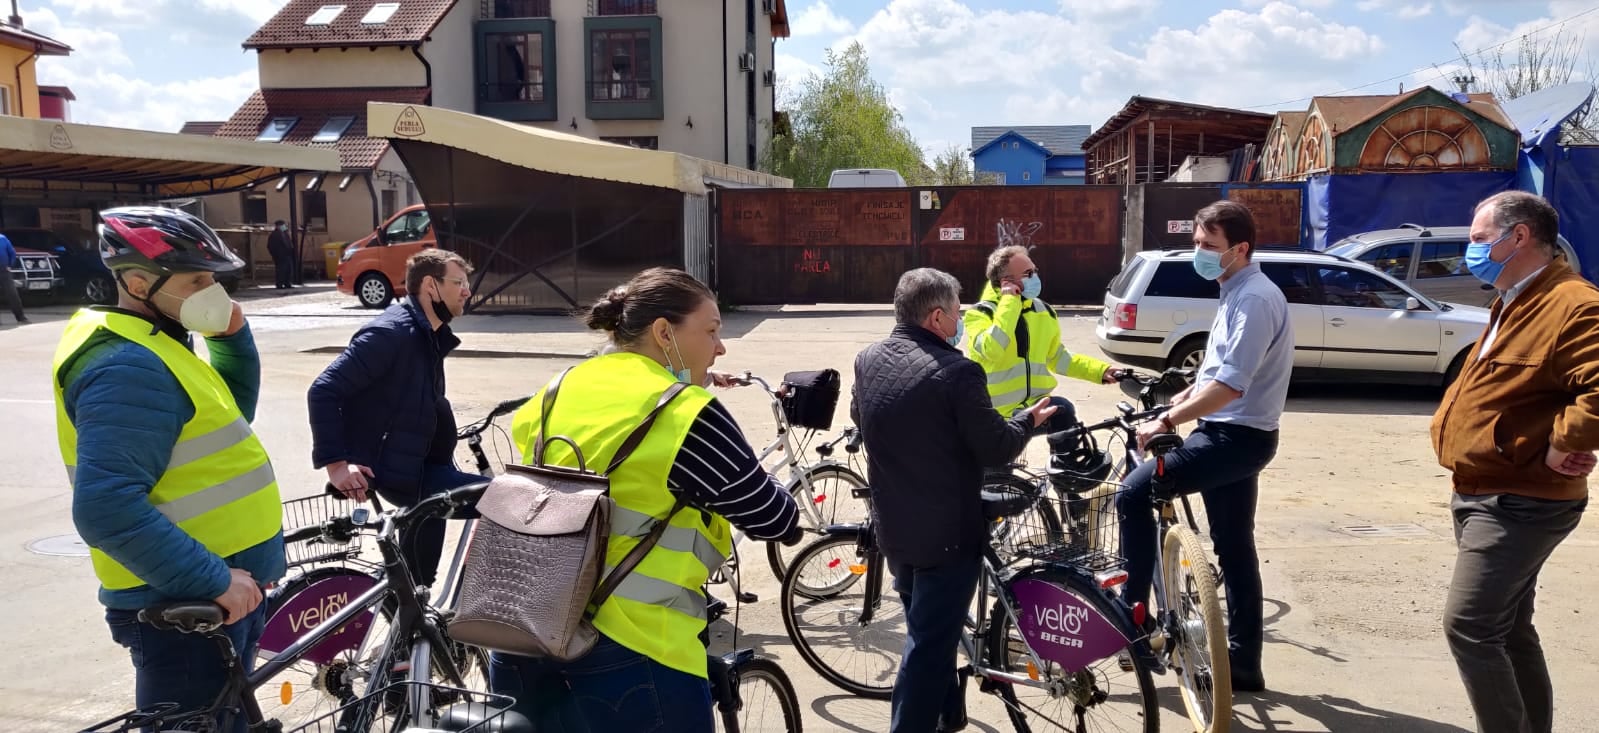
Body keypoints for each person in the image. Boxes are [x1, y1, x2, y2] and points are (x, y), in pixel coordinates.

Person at [488, 267, 803, 730]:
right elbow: (777, 520)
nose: (720, 348)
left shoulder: (559, 388)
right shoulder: (683, 411)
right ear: (663, 333)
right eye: (712, 331)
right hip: (633, 649)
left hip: (524, 628)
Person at [53, 207, 283, 727]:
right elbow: (105, 508)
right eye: (197, 280)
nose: (212, 291)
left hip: (215, 598)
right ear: (137, 282)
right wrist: (214, 580)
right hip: (187, 609)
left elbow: (229, 416)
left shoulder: (156, 343)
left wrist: (231, 340)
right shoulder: (128, 367)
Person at [852, 267, 1057, 733]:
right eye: (959, 312)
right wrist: (1028, 421)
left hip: (896, 530)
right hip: (948, 536)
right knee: (927, 646)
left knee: (931, 630)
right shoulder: (957, 372)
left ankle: (950, 714)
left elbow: (863, 417)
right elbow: (997, 446)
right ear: (938, 317)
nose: (963, 320)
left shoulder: (868, 358)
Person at [1432, 191, 1596, 733]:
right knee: (1509, 628)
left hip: (1522, 499)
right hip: (1485, 488)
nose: (1471, 252)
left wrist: (1563, 442)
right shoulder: (1516, 297)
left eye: (1480, 240)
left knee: (1471, 626)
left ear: (1519, 237)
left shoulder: (1573, 303)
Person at [1115, 200, 1293, 693]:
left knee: (1132, 492)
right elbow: (1207, 378)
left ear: (1241, 248)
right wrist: (1165, 409)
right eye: (1195, 243)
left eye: (1209, 246)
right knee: (1235, 549)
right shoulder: (1235, 291)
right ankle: (1244, 663)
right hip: (1230, 434)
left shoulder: (1254, 299)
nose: (1200, 254)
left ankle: (1133, 619)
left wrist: (1168, 419)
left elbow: (1230, 387)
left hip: (1235, 438)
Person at [308, 249, 480, 588]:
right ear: (430, 286)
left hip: (421, 467)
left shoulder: (427, 334)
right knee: (509, 505)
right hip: (403, 474)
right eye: (458, 282)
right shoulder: (392, 334)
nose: (467, 292)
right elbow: (323, 390)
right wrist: (338, 466)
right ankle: (479, 611)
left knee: (418, 585)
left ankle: (417, 629)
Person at [963, 245, 1124, 467]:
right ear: (1005, 282)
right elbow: (992, 348)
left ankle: (1069, 489)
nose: (1035, 277)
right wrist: (1010, 302)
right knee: (999, 488)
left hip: (1033, 408)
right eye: (1028, 274)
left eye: (1035, 271)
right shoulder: (980, 314)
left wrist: (1101, 371)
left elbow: (1059, 358)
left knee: (1063, 409)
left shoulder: (1044, 311)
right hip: (996, 416)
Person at [0, 231, 28, 324]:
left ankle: (21, 317)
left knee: (12, 294)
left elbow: (12, 253)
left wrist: (10, 265)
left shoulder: (2, 238)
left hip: (4, 270)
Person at [266, 220, 294, 290]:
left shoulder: (285, 233)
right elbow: (270, 246)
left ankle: (287, 283)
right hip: (280, 256)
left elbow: (289, 243)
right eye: (283, 225)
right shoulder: (274, 235)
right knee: (281, 270)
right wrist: (275, 254)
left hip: (287, 254)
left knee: (288, 270)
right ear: (278, 226)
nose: (284, 227)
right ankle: (279, 284)